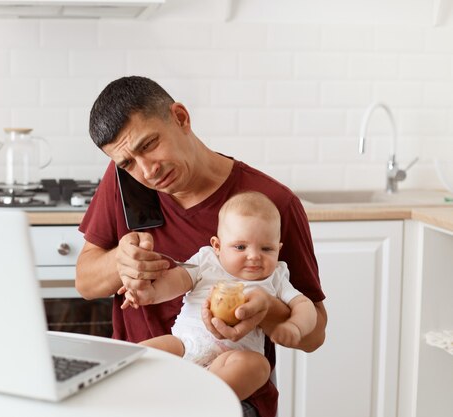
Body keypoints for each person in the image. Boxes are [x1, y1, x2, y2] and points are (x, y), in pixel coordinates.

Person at [76, 76, 327, 417]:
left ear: (180, 117)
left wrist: (266, 309)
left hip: (231, 394)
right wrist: (120, 263)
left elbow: (315, 335)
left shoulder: (270, 204)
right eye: (128, 163)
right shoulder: (126, 182)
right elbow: (85, 283)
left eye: (150, 144)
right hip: (147, 388)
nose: (148, 171)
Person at [118, 191, 317, 401]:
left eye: (267, 248)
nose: (254, 256)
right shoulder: (207, 260)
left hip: (230, 359)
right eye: (240, 247)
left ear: (279, 249)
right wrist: (148, 292)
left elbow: (304, 304)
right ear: (217, 246)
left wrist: (295, 326)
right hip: (184, 344)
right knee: (140, 355)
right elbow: (177, 280)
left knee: (259, 366)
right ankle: (133, 396)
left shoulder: (276, 276)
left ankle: (200, 402)